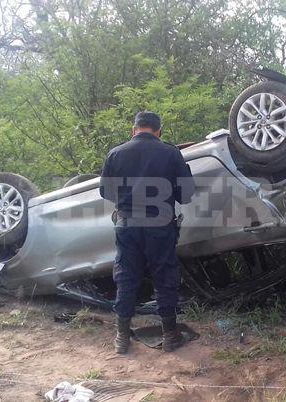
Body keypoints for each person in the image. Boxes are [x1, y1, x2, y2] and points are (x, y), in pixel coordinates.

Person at [99, 111, 194, 354]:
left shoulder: (116, 153)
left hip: (127, 224)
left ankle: (122, 337)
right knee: (165, 277)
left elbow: (106, 193)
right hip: (160, 225)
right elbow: (186, 195)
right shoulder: (171, 153)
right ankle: (170, 335)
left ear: (134, 130)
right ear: (159, 131)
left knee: (126, 277)